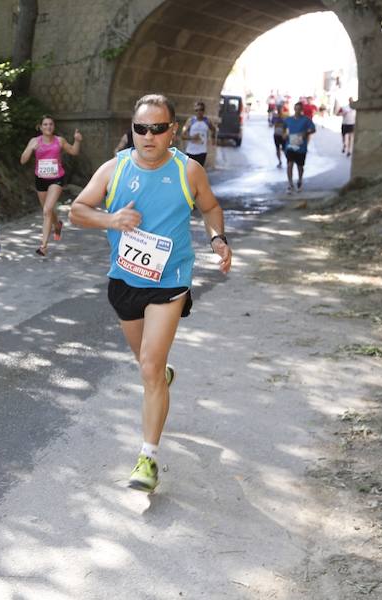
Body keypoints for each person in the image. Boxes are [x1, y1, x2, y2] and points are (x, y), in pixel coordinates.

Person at [69, 94, 232, 493]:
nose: (148, 136)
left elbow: (210, 208)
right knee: (147, 363)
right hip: (125, 282)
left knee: (149, 369)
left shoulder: (187, 171)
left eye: (158, 128)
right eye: (141, 128)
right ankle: (160, 373)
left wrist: (219, 239)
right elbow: (76, 210)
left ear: (172, 131)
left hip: (170, 281)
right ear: (132, 130)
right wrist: (111, 218)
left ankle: (148, 458)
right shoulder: (115, 168)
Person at [20, 115, 82, 256]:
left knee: (47, 210)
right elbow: (23, 160)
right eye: (45, 124)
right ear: (41, 127)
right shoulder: (34, 141)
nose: (48, 127)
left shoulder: (59, 141)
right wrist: (30, 150)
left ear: (53, 127)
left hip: (56, 179)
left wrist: (77, 141)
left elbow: (74, 151)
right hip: (40, 179)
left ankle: (43, 246)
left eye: (51, 124)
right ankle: (57, 224)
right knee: (48, 211)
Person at [282, 101, 316, 193]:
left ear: (302, 110)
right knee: (289, 165)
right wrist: (284, 134)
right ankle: (290, 184)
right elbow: (283, 127)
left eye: (299, 109)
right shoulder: (288, 119)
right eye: (296, 109)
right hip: (290, 145)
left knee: (300, 166)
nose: (297, 110)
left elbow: (313, 129)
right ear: (294, 109)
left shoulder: (306, 120)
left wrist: (306, 133)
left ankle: (300, 180)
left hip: (301, 146)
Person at [180, 101, 216, 167]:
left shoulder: (207, 121)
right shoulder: (190, 121)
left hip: (202, 152)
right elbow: (182, 136)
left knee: (198, 173)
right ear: (194, 111)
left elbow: (213, 129)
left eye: (201, 109)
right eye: (197, 110)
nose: (199, 112)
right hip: (190, 151)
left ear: (204, 110)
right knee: (189, 173)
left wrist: (212, 138)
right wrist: (192, 137)